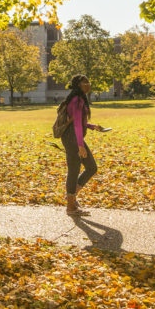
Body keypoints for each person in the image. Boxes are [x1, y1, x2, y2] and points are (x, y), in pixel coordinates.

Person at [59, 75, 106, 216]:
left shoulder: (78, 100)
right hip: (72, 138)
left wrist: (93, 127)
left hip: (74, 137)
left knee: (91, 167)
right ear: (78, 85)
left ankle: (71, 198)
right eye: (85, 82)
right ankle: (71, 207)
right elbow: (77, 125)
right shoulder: (77, 100)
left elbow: (80, 122)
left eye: (88, 81)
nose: (88, 84)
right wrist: (80, 145)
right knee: (74, 169)